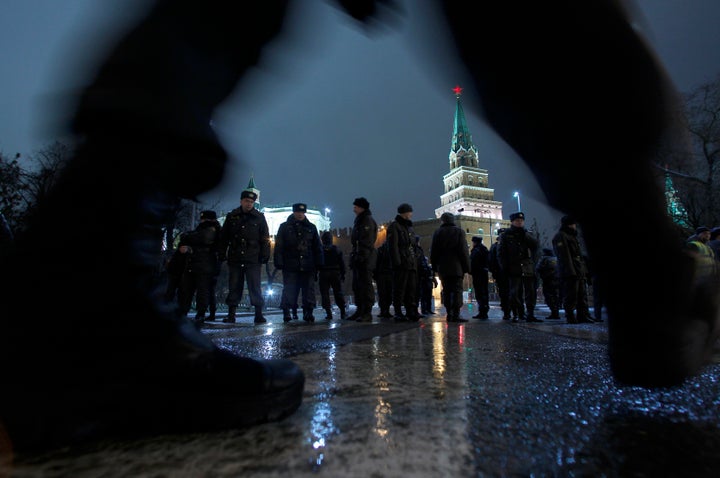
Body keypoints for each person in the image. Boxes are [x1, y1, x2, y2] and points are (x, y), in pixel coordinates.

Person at [218, 190, 271, 324]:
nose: (249, 204)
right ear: (241, 201)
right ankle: (231, 314)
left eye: (252, 202)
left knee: (255, 286)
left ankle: (258, 314)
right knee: (234, 286)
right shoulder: (232, 216)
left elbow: (265, 238)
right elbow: (224, 237)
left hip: (253, 258)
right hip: (235, 257)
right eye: (247, 201)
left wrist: (265, 255)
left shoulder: (259, 217)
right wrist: (222, 253)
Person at [274, 203, 324, 322]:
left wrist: (320, 262)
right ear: (294, 212)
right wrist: (278, 262)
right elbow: (279, 246)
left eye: (302, 212)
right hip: (291, 264)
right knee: (289, 289)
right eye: (298, 212)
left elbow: (317, 246)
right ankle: (287, 311)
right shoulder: (284, 227)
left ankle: (308, 311)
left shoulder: (311, 227)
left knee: (309, 289)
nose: (300, 214)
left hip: (308, 264)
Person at [176, 210, 222, 326]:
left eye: (204, 219)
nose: (202, 221)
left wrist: (188, 240)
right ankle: (186, 311)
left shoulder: (212, 229)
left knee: (202, 289)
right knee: (188, 289)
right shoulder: (202, 229)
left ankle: (201, 313)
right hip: (195, 262)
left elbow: (202, 238)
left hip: (205, 263)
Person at [499, 212, 542, 323]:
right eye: (517, 221)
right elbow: (501, 253)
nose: (520, 222)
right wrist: (504, 267)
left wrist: (526, 235)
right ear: (512, 222)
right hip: (513, 267)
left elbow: (536, 247)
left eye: (521, 221)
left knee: (530, 292)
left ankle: (530, 314)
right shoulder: (506, 235)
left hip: (527, 267)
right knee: (514, 293)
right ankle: (517, 313)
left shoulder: (527, 234)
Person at [552, 216, 594, 324]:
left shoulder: (572, 236)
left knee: (582, 294)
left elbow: (578, 256)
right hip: (570, 271)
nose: (575, 226)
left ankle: (583, 315)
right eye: (573, 224)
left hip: (578, 269)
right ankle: (570, 316)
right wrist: (571, 271)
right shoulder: (561, 236)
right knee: (571, 295)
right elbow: (564, 256)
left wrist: (584, 271)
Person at [430, 212, 470, 323]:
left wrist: (434, 267)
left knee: (446, 290)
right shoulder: (459, 232)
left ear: (442, 221)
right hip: (457, 267)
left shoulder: (437, 232)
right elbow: (463, 251)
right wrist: (467, 267)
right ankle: (456, 314)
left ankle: (449, 313)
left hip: (443, 267)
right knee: (457, 290)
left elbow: (433, 252)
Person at [386, 203, 420, 321]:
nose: (411, 214)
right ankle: (398, 312)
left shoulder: (409, 227)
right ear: (405, 212)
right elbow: (393, 246)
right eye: (410, 212)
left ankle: (411, 311)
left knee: (411, 288)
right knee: (399, 288)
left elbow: (413, 245)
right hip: (401, 262)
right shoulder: (394, 227)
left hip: (410, 262)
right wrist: (397, 262)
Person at [348, 197, 378, 323]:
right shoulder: (359, 221)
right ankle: (360, 310)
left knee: (365, 285)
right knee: (357, 285)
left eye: (355, 207)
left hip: (365, 258)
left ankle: (367, 312)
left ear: (361, 207)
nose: (353, 209)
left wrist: (362, 255)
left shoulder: (367, 221)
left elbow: (367, 241)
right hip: (358, 257)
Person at [317, 231, 347, 320]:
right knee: (338, 292)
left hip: (323, 274)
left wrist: (316, 273)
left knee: (324, 294)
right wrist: (343, 274)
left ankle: (329, 313)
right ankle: (343, 312)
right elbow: (342, 263)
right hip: (335, 273)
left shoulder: (320, 250)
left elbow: (317, 263)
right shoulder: (336, 249)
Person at [488, 228, 511, 320]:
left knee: (510, 292)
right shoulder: (495, 247)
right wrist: (494, 272)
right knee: (505, 293)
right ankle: (507, 311)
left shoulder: (509, 245)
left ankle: (513, 311)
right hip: (501, 274)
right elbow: (491, 261)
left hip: (509, 273)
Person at [536, 248, 561, 320]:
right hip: (557, 280)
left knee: (548, 296)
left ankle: (554, 312)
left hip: (548, 280)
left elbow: (538, 268)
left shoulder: (544, 259)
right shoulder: (556, 259)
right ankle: (556, 312)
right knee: (556, 296)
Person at [415, 236, 437, 316]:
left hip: (427, 283)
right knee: (423, 297)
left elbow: (431, 275)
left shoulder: (428, 267)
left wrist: (434, 281)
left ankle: (428, 309)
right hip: (423, 281)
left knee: (428, 297)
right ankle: (424, 310)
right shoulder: (417, 250)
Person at [469, 235, 490, 319]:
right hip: (484, 273)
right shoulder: (484, 249)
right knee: (484, 292)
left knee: (479, 293)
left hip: (477, 274)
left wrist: (470, 271)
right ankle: (484, 311)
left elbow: (472, 262)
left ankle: (482, 312)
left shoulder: (476, 250)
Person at [373, 240, 394, 319]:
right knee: (386, 293)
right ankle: (385, 310)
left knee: (384, 293)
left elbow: (376, 264)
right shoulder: (389, 250)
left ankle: (384, 311)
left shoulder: (380, 250)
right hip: (385, 273)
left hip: (383, 274)